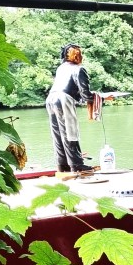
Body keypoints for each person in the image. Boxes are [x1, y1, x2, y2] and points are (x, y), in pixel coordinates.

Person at [46, 44, 95, 173]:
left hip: (51, 99)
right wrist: (100, 97)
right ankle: (76, 164)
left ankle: (62, 165)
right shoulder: (79, 69)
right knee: (70, 132)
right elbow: (86, 94)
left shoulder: (61, 68)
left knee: (57, 134)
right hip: (63, 99)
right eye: (78, 54)